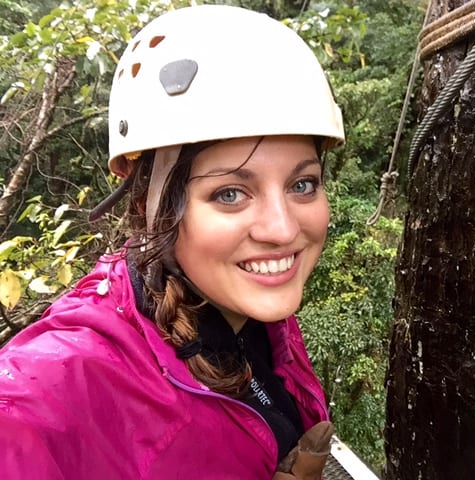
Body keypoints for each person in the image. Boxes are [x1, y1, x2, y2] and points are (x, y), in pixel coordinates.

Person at [0, 4, 344, 479]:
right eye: (229, 193)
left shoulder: (254, 315)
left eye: (302, 184)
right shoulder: (74, 374)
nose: (283, 230)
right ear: (149, 205)